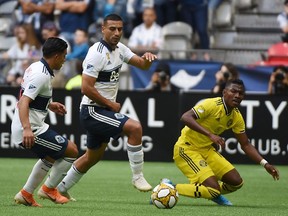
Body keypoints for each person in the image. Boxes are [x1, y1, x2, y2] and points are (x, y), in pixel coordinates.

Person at [57, 14, 157, 197]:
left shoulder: (120, 49)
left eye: (120, 29)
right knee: (135, 128)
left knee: (91, 158)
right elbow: (86, 88)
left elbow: (142, 65)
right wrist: (110, 104)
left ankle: (58, 189)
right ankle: (137, 176)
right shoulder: (96, 53)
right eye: (112, 29)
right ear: (103, 29)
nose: (117, 33)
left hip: (101, 110)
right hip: (92, 111)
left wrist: (148, 60)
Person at [162, 79, 279, 206]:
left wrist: (265, 164)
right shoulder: (212, 104)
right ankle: (168, 188)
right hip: (187, 149)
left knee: (236, 182)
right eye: (233, 91)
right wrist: (210, 135)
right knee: (213, 190)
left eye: (241, 93)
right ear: (224, 92)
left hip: (206, 150)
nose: (237, 96)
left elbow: (245, 144)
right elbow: (186, 117)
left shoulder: (236, 116)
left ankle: (212, 192)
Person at [12, 37, 79, 207]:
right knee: (71, 150)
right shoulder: (41, 74)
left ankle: (26, 194)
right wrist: (27, 129)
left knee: (50, 156)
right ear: (56, 56)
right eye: (64, 56)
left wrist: (50, 105)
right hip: (30, 128)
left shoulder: (37, 67)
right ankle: (49, 189)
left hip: (33, 125)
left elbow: (31, 98)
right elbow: (24, 102)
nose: (65, 60)